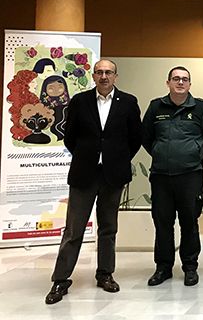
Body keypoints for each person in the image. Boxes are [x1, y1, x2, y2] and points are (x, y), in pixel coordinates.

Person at [45, 59, 142, 304]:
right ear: (93, 75)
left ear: (116, 76)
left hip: (112, 175)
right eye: (99, 72)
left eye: (108, 72)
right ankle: (61, 279)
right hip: (83, 174)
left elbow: (135, 139)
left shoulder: (128, 102)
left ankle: (105, 274)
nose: (104, 76)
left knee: (108, 228)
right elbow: (70, 138)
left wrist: (115, 159)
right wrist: (88, 156)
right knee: (73, 229)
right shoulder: (80, 101)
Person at [142, 66, 203, 287]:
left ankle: (190, 267)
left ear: (189, 84)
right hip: (161, 176)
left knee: (189, 222)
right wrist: (161, 153)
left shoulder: (202, 108)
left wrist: (194, 155)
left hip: (190, 176)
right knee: (162, 223)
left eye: (184, 79)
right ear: (167, 82)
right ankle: (163, 267)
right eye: (176, 79)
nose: (180, 82)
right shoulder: (156, 107)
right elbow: (146, 137)